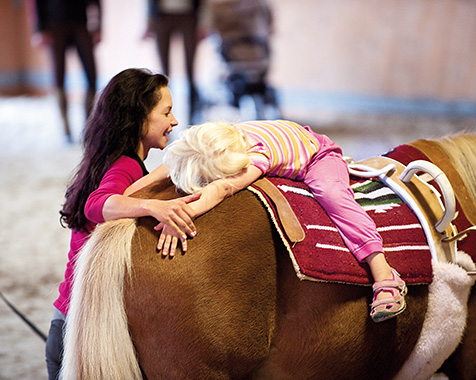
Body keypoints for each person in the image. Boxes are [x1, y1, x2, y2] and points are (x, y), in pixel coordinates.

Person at [161, 120, 407, 323]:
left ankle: (384, 273)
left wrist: (184, 213)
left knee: (332, 195)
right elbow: (168, 167)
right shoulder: (217, 139)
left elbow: (222, 189)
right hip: (295, 137)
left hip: (318, 156)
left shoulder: (258, 157)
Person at [45, 68, 199, 379]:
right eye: (166, 112)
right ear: (139, 117)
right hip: (82, 332)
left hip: (65, 322)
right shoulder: (125, 165)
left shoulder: (103, 160)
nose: (174, 121)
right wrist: (153, 206)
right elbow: (97, 204)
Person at [33, 0, 101, 143]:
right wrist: (39, 29)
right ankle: (66, 129)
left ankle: (88, 124)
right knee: (58, 77)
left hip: (80, 22)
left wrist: (98, 24)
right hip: (54, 24)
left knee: (91, 75)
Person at [144, 0, 203, 123]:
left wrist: (204, 23)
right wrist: (149, 20)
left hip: (188, 14)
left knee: (190, 68)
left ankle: (193, 107)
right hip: (162, 15)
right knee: (164, 70)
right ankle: (164, 103)